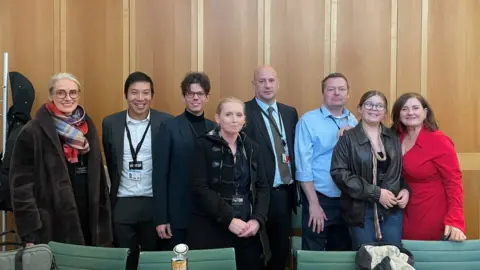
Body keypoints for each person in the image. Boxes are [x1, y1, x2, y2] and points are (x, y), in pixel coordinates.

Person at [9, 72, 112, 247]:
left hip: (88, 219)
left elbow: (99, 180)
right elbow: (21, 187)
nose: (68, 98)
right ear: (51, 96)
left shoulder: (88, 126)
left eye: (73, 92)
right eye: (61, 93)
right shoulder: (32, 131)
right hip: (51, 226)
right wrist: (30, 233)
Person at [187, 97, 271, 270]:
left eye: (239, 115)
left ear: (244, 120)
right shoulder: (203, 145)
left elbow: (262, 188)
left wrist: (257, 220)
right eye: (228, 114)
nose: (234, 119)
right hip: (212, 226)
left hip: (248, 228)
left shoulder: (253, 148)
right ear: (218, 118)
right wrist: (229, 219)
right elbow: (199, 188)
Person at [102, 71, 172, 269]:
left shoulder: (166, 122)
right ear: (126, 95)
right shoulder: (111, 123)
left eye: (145, 93)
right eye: (134, 93)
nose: (140, 99)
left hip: (153, 202)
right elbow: (111, 160)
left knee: (153, 260)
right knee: (125, 261)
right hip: (123, 202)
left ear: (152, 95)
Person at [331, 90, 408, 250]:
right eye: (369, 104)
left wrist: (406, 189)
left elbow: (399, 172)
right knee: (367, 259)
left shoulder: (393, 138)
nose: (374, 109)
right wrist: (376, 193)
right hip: (360, 212)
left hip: (391, 211)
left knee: (393, 258)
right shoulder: (348, 138)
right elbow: (339, 173)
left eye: (380, 106)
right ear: (360, 108)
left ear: (385, 113)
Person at [391, 92, 466, 241]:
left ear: (425, 113)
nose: (410, 112)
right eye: (405, 109)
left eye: (415, 108)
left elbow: (454, 182)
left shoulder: (439, 141)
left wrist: (455, 220)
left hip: (431, 209)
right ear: (399, 114)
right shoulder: (394, 137)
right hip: (402, 207)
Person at [153, 72, 216, 247]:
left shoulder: (214, 129)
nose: (195, 98)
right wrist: (161, 217)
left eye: (200, 94)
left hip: (206, 214)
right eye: (190, 94)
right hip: (177, 215)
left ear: (207, 97)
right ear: (184, 97)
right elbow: (159, 175)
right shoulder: (169, 127)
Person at [244, 65, 298, 270]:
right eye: (262, 81)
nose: (267, 85)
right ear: (254, 84)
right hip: (256, 196)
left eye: (271, 80)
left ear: (278, 83)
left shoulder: (289, 113)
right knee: (255, 254)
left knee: (279, 253)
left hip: (284, 194)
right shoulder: (244, 111)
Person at [295, 72, 356, 251]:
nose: (336, 93)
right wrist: (314, 204)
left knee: (342, 254)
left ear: (348, 93)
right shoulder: (308, 121)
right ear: (323, 93)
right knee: (314, 254)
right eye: (331, 89)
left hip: (347, 199)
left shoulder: (353, 120)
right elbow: (303, 166)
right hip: (320, 198)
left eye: (341, 89)